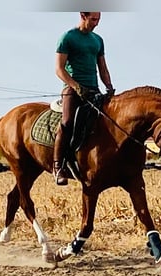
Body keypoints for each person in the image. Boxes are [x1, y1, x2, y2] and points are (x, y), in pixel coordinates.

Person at [53, 12, 115, 186]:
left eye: (98, 20)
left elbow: (102, 68)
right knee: (68, 123)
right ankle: (58, 166)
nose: (96, 23)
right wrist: (76, 86)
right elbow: (59, 69)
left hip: (93, 89)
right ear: (83, 15)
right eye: (93, 19)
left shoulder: (98, 40)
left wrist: (109, 86)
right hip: (72, 89)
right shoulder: (68, 37)